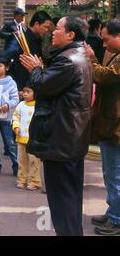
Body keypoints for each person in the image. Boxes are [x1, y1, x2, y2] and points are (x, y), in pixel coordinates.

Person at [20, 16, 92, 236]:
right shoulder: (78, 55)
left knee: (62, 203)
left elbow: (43, 85)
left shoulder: (68, 60)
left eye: (57, 28)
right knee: (69, 200)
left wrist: (35, 69)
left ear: (70, 35)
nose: (52, 31)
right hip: (70, 137)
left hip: (61, 138)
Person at [85, 18, 120, 236]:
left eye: (107, 40)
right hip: (110, 124)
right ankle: (113, 211)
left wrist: (91, 59)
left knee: (115, 174)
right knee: (110, 173)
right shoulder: (115, 55)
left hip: (116, 127)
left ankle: (117, 220)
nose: (105, 45)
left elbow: (106, 77)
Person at [5, 11, 52, 93]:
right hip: (22, 85)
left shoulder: (37, 39)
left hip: (32, 82)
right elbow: (10, 61)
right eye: (45, 27)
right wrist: (17, 87)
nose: (46, 30)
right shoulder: (22, 39)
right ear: (36, 24)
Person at [12, 83, 41, 190]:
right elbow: (16, 117)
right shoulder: (20, 105)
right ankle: (21, 179)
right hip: (21, 138)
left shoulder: (38, 105)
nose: (25, 94)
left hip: (34, 139)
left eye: (28, 92)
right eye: (24, 91)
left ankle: (34, 181)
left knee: (34, 161)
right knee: (21, 161)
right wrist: (16, 127)